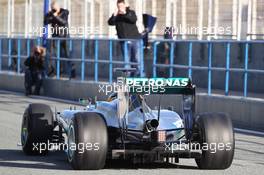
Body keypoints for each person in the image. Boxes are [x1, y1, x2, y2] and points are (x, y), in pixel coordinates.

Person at [108, 0, 142, 76]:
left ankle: (139, 76)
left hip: (134, 40)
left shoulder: (130, 12)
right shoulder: (117, 16)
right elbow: (110, 23)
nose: (120, 8)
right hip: (124, 41)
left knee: (137, 59)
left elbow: (133, 19)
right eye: (119, 6)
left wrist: (125, 13)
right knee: (126, 61)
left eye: (121, 6)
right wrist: (114, 16)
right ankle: (129, 77)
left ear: (125, 5)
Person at [44, 1, 75, 78]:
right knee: (53, 55)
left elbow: (63, 22)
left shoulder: (65, 12)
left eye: (54, 8)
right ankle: (54, 72)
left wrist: (55, 16)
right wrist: (50, 14)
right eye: (52, 8)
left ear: (58, 7)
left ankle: (72, 72)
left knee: (68, 55)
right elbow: (46, 22)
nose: (53, 10)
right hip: (56, 37)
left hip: (65, 37)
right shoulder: (51, 13)